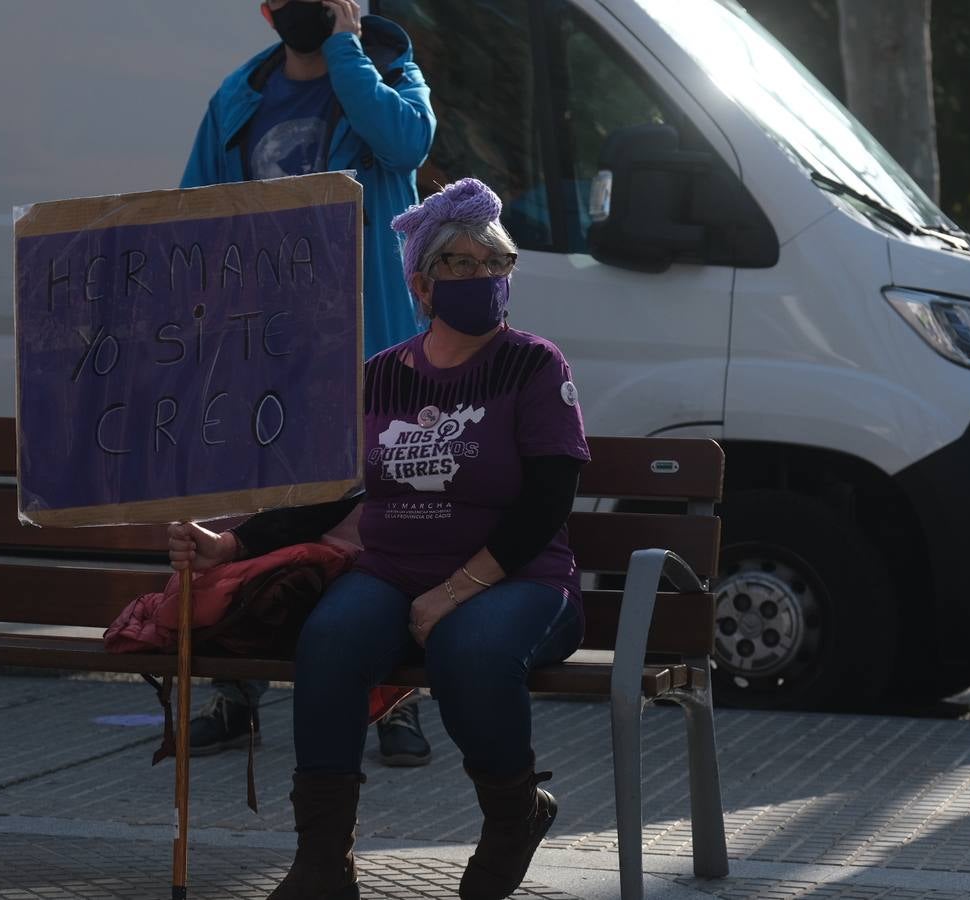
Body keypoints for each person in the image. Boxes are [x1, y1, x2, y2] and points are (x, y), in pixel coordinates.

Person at [169, 178, 589, 900]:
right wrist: (231, 547)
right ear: (422, 286)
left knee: (471, 647)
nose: (479, 275)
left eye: (494, 262)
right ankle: (323, 863)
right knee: (329, 642)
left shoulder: (534, 365)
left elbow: (550, 499)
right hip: (392, 572)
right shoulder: (382, 376)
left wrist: (457, 591)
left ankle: (514, 815)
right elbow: (329, 493)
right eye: (458, 262)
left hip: (516, 580)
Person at [179, 0, 437, 763]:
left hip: (376, 350)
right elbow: (195, 219)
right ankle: (237, 692)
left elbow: (403, 141)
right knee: (254, 517)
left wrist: (348, 48)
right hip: (270, 354)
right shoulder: (237, 100)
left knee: (384, 526)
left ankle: (396, 698)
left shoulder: (391, 73)